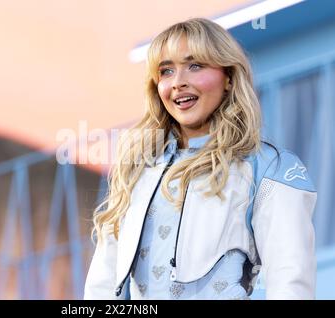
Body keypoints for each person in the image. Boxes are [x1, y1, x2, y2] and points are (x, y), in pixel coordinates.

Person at [84, 18, 317, 300]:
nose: (179, 82)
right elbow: (103, 287)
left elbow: (291, 283)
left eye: (195, 66)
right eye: (166, 71)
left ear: (229, 77)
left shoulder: (270, 168)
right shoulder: (136, 169)